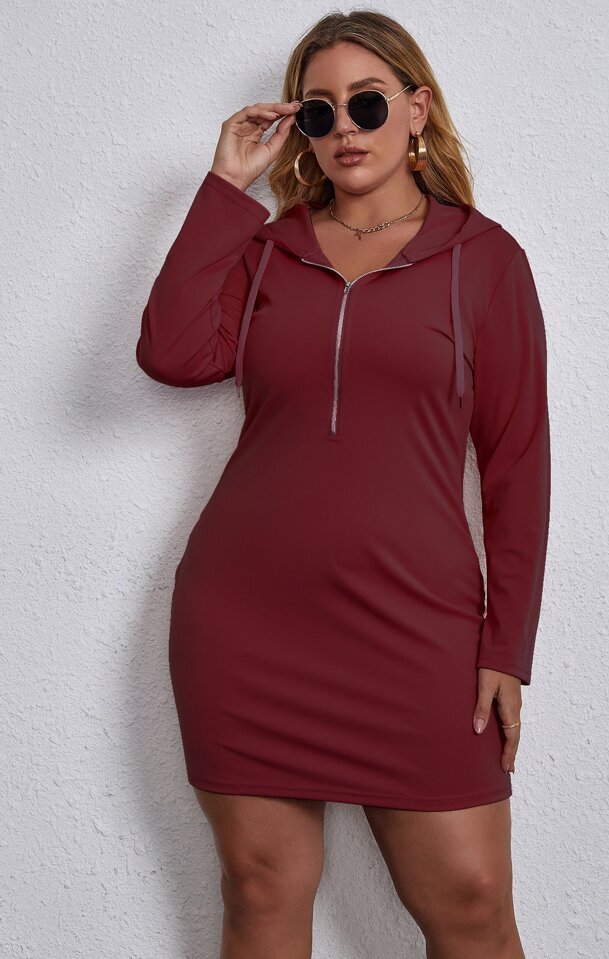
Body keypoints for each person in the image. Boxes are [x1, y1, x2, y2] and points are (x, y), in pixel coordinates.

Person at [136, 10, 550, 959]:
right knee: (260, 890)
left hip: (417, 624)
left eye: (367, 104)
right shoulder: (268, 250)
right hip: (246, 620)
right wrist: (225, 188)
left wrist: (507, 646)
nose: (345, 129)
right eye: (319, 113)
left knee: (473, 904)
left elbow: (519, 463)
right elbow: (170, 352)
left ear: (417, 109)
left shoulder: (483, 260)